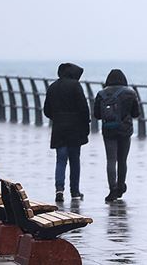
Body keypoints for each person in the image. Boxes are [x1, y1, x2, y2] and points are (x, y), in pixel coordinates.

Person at [43, 62, 90, 202]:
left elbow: (46, 110)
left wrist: (57, 117)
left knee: (61, 160)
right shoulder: (75, 86)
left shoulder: (53, 87)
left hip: (59, 128)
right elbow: (83, 107)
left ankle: (59, 189)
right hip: (75, 129)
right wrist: (85, 124)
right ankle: (75, 191)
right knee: (75, 160)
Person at [93, 69, 141, 203]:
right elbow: (136, 113)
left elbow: (97, 115)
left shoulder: (101, 94)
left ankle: (112, 189)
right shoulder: (130, 93)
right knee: (122, 160)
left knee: (111, 160)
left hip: (108, 130)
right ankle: (121, 186)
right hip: (125, 130)